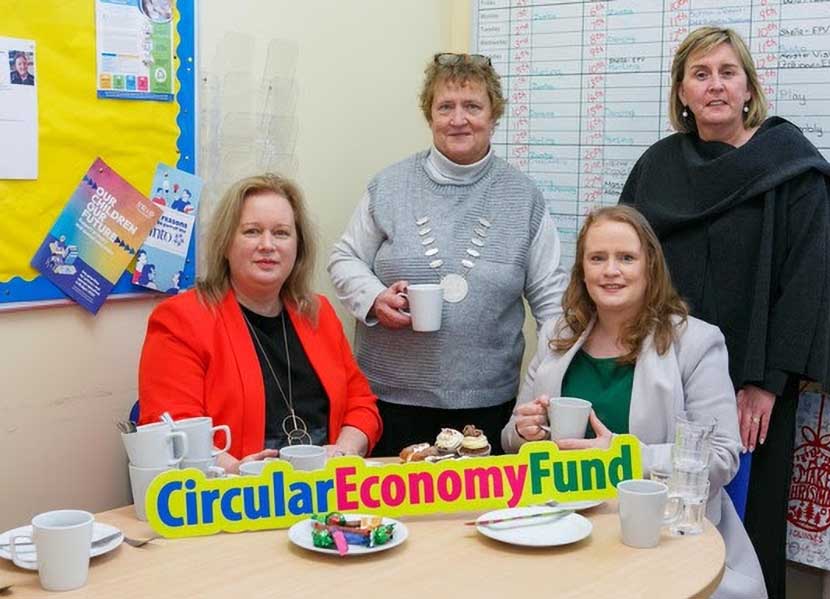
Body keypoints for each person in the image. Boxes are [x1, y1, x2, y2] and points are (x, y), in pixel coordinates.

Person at [618, 27, 830, 599]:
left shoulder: (790, 166)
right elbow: (626, 259)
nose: (715, 86)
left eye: (728, 73)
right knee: (657, 524)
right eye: (700, 75)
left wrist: (767, 383)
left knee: (743, 537)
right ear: (682, 92)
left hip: (753, 389)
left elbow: (809, 284)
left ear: (749, 88)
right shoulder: (658, 166)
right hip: (666, 377)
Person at [501, 205, 767, 599]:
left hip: (659, 539)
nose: (611, 270)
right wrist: (526, 433)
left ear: (650, 267)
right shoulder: (557, 334)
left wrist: (624, 456)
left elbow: (721, 457)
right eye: (597, 258)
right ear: (582, 270)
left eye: (626, 258)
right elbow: (511, 439)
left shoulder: (696, 342)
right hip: (561, 529)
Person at [328, 53, 567, 456]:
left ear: (494, 115)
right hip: (389, 401)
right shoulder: (389, 185)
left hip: (488, 405)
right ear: (430, 116)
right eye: (445, 107)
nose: (459, 119)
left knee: (477, 499)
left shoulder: (524, 197)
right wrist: (374, 298)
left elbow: (552, 299)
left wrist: (548, 383)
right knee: (395, 498)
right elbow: (344, 258)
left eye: (472, 106)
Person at [139, 174, 382, 474]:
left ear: (298, 246)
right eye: (252, 231)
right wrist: (236, 470)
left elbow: (361, 405)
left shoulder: (318, 312)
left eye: (281, 233)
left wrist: (344, 452)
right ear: (225, 244)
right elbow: (173, 430)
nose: (267, 245)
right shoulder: (180, 319)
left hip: (324, 490)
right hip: (233, 493)